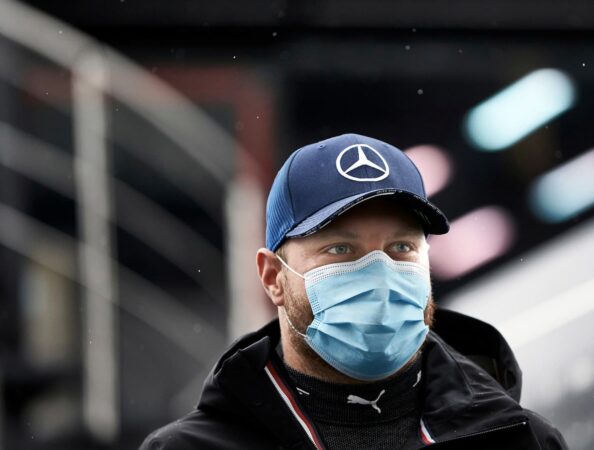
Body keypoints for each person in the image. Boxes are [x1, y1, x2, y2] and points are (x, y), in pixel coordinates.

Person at [140, 133, 567, 449]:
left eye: (401, 247)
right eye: (341, 249)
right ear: (273, 276)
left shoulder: (522, 440)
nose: (379, 274)